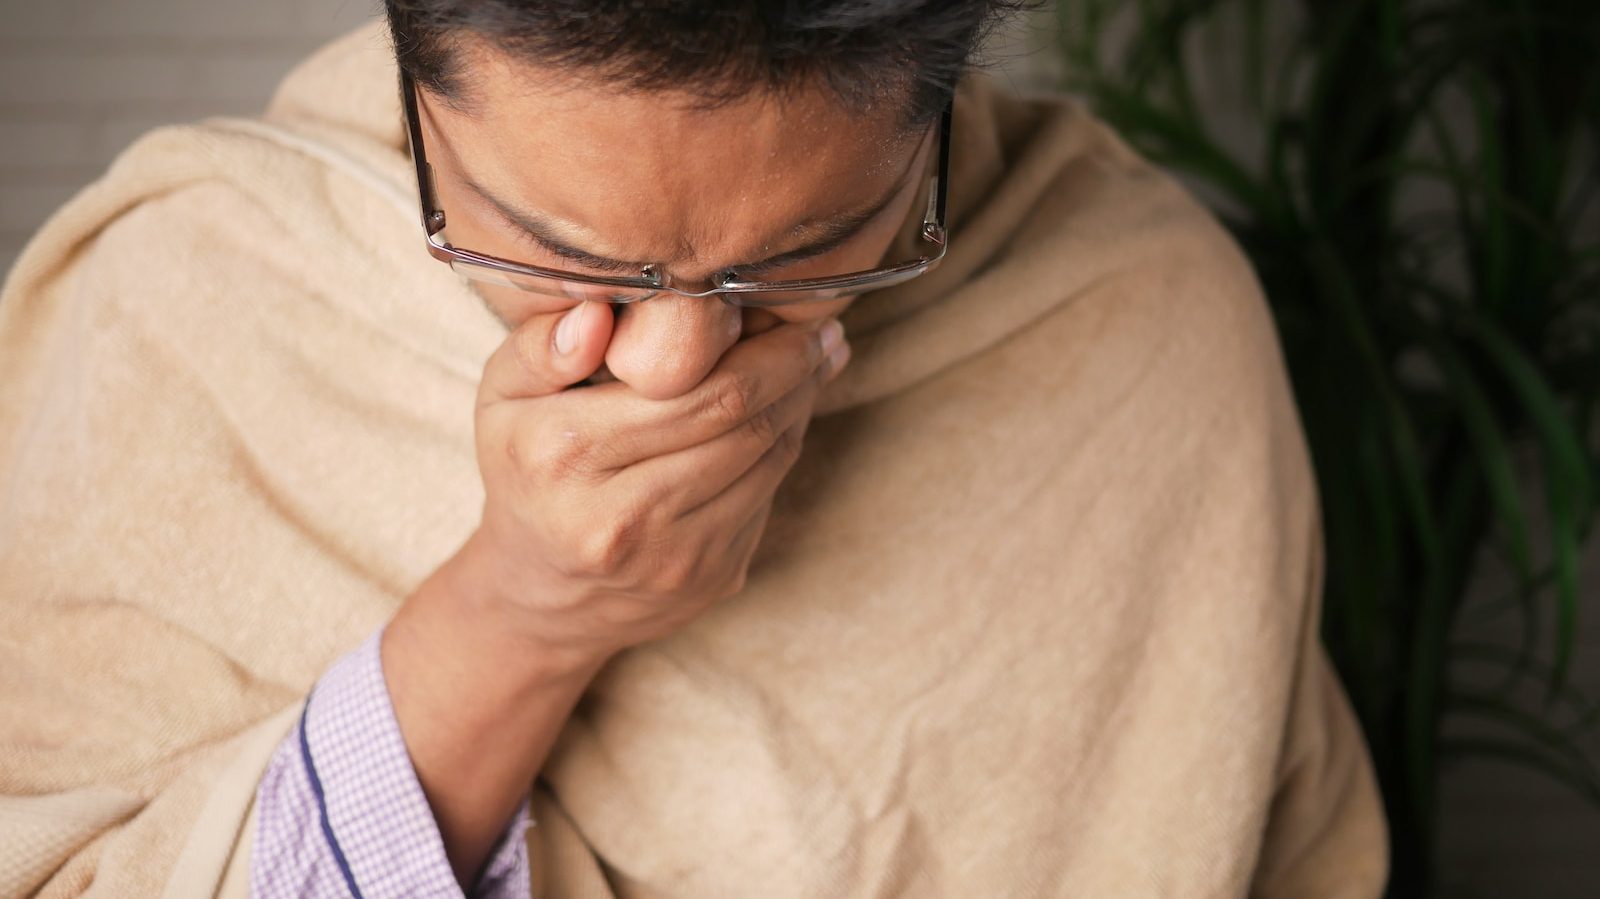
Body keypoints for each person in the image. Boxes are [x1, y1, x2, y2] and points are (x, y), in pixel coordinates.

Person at [0, 2, 1390, 897]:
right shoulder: (179, 310)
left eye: (802, 260)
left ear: (934, 124)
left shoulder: (1148, 324)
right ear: (419, 79)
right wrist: (516, 617)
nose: (671, 364)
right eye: (545, 251)